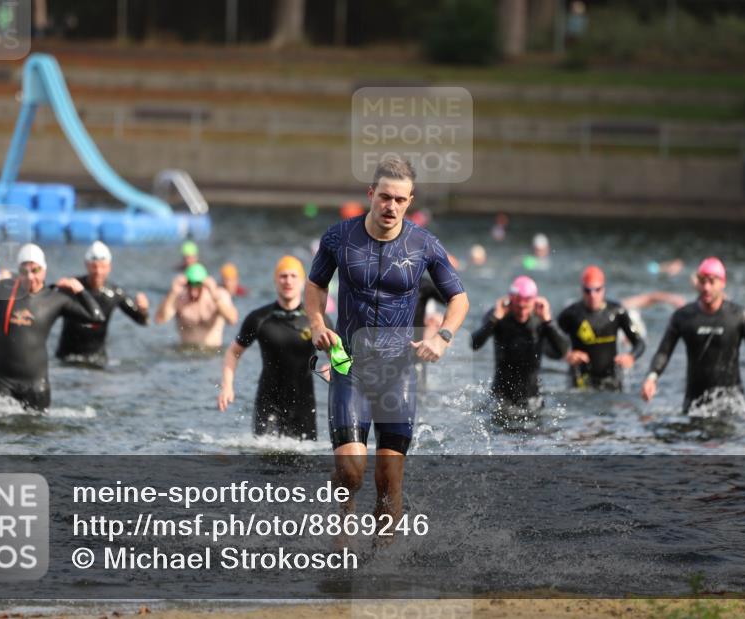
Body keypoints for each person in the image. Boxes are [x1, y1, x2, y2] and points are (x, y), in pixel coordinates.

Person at [306, 158, 468, 540]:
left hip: (398, 372)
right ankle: (342, 517)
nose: (390, 206)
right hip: (349, 366)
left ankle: (382, 561)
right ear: (371, 194)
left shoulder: (424, 245)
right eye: (384, 197)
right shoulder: (339, 237)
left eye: (399, 199)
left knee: (388, 478)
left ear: (409, 200)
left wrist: (442, 337)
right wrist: (317, 324)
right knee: (351, 472)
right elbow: (315, 286)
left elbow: (459, 299)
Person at [0, 244, 104, 411]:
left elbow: (97, 318)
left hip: (36, 387)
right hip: (0, 382)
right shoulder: (3, 289)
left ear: (44, 270)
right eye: (24, 271)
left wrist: (80, 290)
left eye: (35, 270)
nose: (30, 277)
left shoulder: (55, 298)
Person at [641, 257, 745, 419]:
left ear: (722, 283)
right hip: (695, 406)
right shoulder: (683, 317)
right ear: (697, 283)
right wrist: (651, 377)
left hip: (732, 405)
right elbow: (664, 352)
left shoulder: (739, 316)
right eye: (702, 281)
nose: (706, 287)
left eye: (712, 282)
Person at [218, 256, 331, 440]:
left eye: (293, 276)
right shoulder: (259, 318)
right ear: (275, 280)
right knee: (265, 452)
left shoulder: (317, 320)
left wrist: (333, 367)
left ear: (303, 282)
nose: (288, 281)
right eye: (283, 276)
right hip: (268, 402)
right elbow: (233, 352)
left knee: (307, 455)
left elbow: (338, 354)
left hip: (304, 404)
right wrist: (227, 386)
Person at [471, 276, 567, 419]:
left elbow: (562, 351)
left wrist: (548, 322)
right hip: (501, 398)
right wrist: (494, 320)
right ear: (511, 301)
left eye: (526, 307)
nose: (522, 312)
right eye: (518, 307)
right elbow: (474, 344)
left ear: (534, 302)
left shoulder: (541, 318)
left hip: (532, 398)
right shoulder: (499, 315)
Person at [55, 241, 149, 368]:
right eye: (94, 266)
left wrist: (143, 309)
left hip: (97, 359)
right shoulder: (72, 287)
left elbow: (142, 321)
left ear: (109, 267)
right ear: (87, 265)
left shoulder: (115, 293)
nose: (98, 271)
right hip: (66, 357)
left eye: (103, 267)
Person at [557, 265, 645, 391]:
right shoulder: (571, 315)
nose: (592, 295)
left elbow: (639, 343)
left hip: (612, 380)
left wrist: (631, 357)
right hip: (580, 383)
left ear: (604, 289)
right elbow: (548, 344)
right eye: (588, 291)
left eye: (597, 290)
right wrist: (567, 355)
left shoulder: (616, 312)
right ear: (582, 290)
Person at [156, 263, 238, 350]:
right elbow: (160, 319)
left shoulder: (219, 295)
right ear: (186, 284)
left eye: (197, 287)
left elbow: (232, 319)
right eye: (190, 286)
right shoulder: (179, 298)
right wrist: (172, 293)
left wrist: (215, 297)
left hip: (212, 353)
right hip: (185, 353)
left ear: (204, 284)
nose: (193, 293)